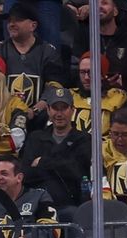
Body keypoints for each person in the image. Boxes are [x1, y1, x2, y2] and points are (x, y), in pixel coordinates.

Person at [0, 2, 65, 132]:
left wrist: (34, 111)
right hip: (1, 115)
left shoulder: (48, 52)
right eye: (10, 21)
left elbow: (54, 86)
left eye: (18, 20)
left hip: (39, 117)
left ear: (32, 26)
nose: (11, 24)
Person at [21, 87, 92, 222]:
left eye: (63, 108)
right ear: (48, 110)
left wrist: (43, 162)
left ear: (72, 110)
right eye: (55, 108)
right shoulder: (36, 138)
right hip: (38, 206)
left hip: (70, 205)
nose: (59, 114)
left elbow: (79, 172)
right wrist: (63, 164)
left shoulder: (83, 139)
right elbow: (26, 174)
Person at [70, 0, 127, 92]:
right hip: (89, 96)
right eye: (95, 4)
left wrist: (123, 83)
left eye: (104, 3)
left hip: (125, 97)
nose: (99, 6)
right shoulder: (82, 36)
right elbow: (74, 73)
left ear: (115, 11)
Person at [69, 52, 127, 137]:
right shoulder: (69, 96)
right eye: (82, 72)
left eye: (90, 72)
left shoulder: (118, 98)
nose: (86, 77)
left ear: (103, 74)